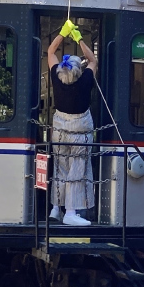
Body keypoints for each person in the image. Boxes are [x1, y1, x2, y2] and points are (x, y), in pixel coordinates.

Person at [47, 19, 99, 226]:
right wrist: (79, 39)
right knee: (77, 170)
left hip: (60, 130)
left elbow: (51, 52)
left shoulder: (56, 78)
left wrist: (62, 33)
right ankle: (71, 212)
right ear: (79, 71)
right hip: (80, 131)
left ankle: (55, 208)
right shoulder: (85, 80)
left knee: (60, 167)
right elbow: (93, 60)